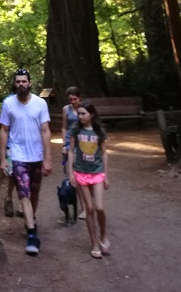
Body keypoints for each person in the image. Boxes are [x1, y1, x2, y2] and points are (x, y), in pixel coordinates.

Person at [0, 68, 52, 256]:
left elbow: (45, 131)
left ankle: (32, 218)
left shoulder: (40, 103)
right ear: (14, 83)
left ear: (29, 83)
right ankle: (31, 233)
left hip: (36, 155)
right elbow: (4, 130)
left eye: (24, 81)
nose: (21, 84)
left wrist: (48, 158)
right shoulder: (8, 104)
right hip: (18, 155)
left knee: (35, 192)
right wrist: (4, 158)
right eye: (18, 81)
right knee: (24, 193)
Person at [67, 100, 110, 259]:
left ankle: (103, 235)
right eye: (79, 113)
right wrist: (70, 173)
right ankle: (94, 243)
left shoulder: (98, 131)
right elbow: (71, 151)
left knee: (99, 207)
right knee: (89, 209)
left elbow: (104, 153)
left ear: (91, 114)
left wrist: (106, 175)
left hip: (97, 172)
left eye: (83, 113)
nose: (80, 116)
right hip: (80, 172)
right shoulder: (75, 130)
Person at [61, 86, 86, 220]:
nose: (72, 102)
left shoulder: (85, 109)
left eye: (75, 99)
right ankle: (83, 207)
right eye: (70, 99)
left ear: (79, 97)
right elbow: (65, 127)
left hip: (83, 143)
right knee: (74, 177)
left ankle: (86, 206)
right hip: (70, 144)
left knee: (83, 176)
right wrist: (64, 144)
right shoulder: (66, 109)